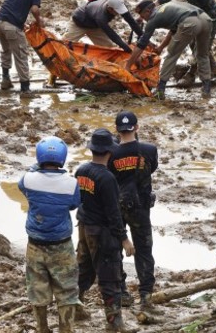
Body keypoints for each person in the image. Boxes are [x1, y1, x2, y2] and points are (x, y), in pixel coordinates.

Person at [76, 129, 136, 333]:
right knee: (110, 277)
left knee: (84, 269)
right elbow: (113, 213)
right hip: (102, 233)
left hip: (84, 227)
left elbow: (79, 201)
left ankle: (75, 307)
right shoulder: (107, 178)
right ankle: (114, 323)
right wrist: (124, 239)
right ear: (110, 151)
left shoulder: (81, 171)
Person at [18, 136, 80, 333]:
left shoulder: (28, 179)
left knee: (37, 288)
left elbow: (22, 189)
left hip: (35, 244)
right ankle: (66, 329)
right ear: (62, 158)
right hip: (62, 244)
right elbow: (73, 204)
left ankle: (42, 328)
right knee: (67, 289)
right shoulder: (71, 184)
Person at [108, 111, 160, 313]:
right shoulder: (149, 150)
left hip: (118, 206)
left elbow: (110, 177)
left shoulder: (111, 154)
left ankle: (121, 291)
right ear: (136, 128)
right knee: (144, 251)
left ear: (117, 129)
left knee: (116, 249)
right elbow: (151, 169)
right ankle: (146, 296)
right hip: (141, 207)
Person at [126, 0, 213, 100]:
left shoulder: (153, 18)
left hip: (190, 22)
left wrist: (128, 66)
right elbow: (173, 31)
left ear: (148, 11)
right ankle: (206, 89)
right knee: (203, 54)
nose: (142, 19)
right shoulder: (166, 8)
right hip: (205, 19)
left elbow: (142, 44)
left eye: (142, 15)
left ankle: (160, 90)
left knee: (172, 54)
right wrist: (160, 47)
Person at [0, 0, 43, 94]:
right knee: (21, 55)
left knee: (6, 50)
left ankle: (5, 80)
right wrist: (39, 21)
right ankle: (25, 90)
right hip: (11, 26)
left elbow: (13, 6)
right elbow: (34, 9)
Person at [63, 0, 143, 53]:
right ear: (110, 9)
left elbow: (131, 22)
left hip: (95, 26)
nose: (119, 13)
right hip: (78, 24)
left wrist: (143, 37)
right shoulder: (100, 16)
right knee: (63, 46)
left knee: (109, 48)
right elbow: (113, 36)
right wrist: (129, 51)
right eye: (117, 11)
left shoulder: (118, 5)